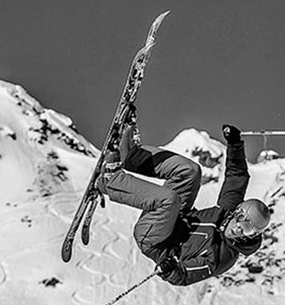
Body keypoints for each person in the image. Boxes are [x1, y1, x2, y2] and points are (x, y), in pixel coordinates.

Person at [96, 117, 271, 286]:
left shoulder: (223, 257)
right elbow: (237, 177)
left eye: (248, 230)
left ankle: (109, 181)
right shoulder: (227, 211)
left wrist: (171, 269)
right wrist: (235, 144)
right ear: (237, 212)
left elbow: (185, 275)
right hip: (174, 218)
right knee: (190, 171)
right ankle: (130, 155)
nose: (239, 228)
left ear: (252, 235)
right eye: (241, 220)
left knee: (169, 200)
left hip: (155, 239)